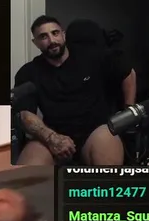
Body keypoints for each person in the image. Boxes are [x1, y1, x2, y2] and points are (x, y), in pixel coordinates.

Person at [15, 15, 135, 166]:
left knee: (107, 167)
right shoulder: (28, 72)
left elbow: (128, 72)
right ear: (36, 42)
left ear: (63, 35)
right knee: (28, 172)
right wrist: (52, 138)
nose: (52, 41)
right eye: (43, 37)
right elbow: (25, 114)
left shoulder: (90, 56)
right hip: (52, 134)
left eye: (55, 33)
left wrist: (129, 111)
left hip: (95, 131)